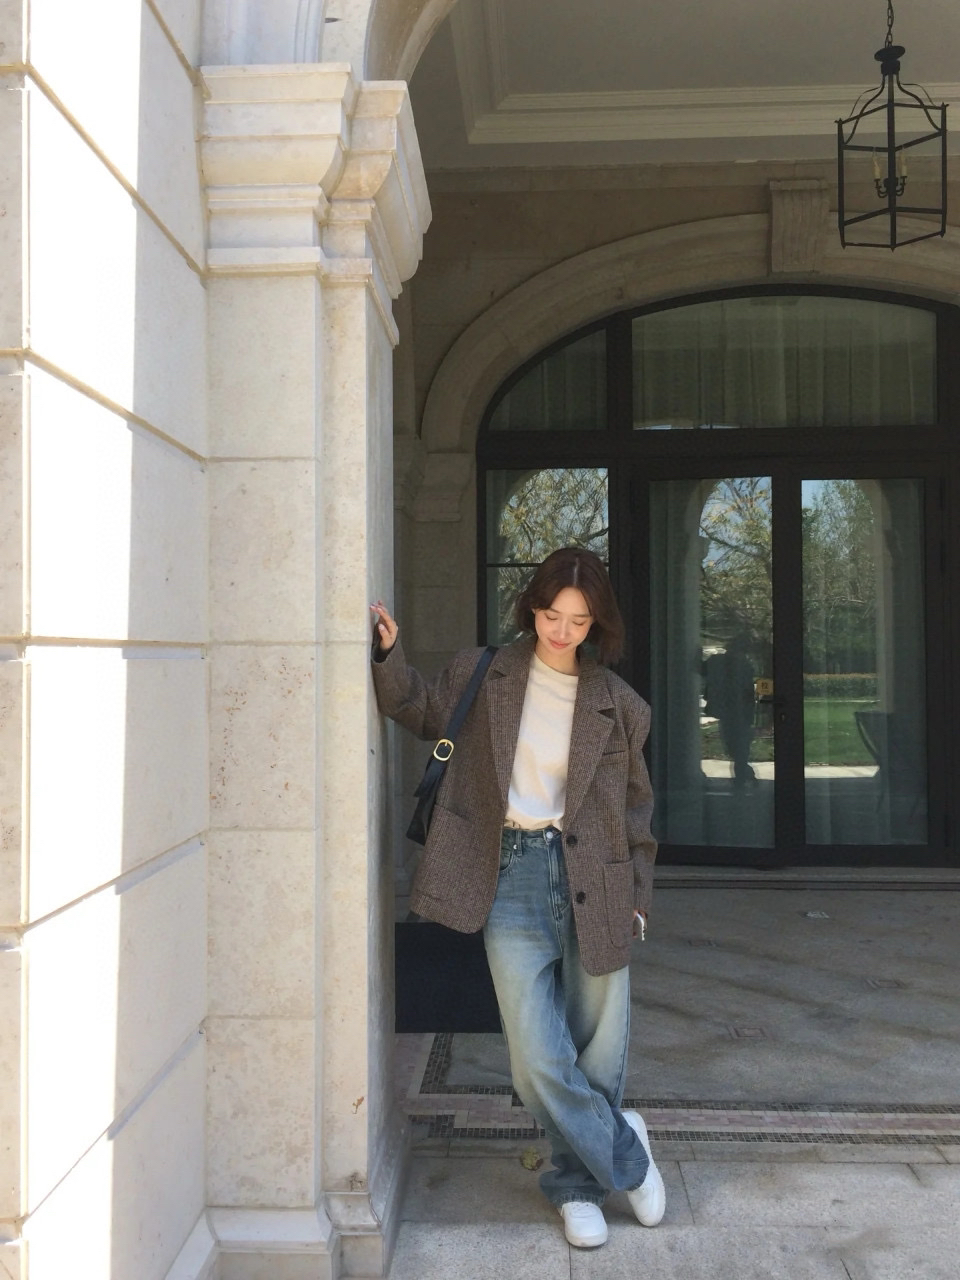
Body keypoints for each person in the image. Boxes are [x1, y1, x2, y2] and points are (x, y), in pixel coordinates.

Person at [370, 546, 664, 1250]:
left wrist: (639, 894)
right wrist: (387, 655)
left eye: (578, 621)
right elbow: (417, 708)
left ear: (597, 625)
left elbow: (635, 810)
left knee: (597, 1050)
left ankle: (575, 1188)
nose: (562, 631)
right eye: (551, 614)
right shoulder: (483, 674)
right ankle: (626, 1149)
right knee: (535, 1061)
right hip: (510, 874)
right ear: (532, 608)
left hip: (598, 879)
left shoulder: (620, 706)